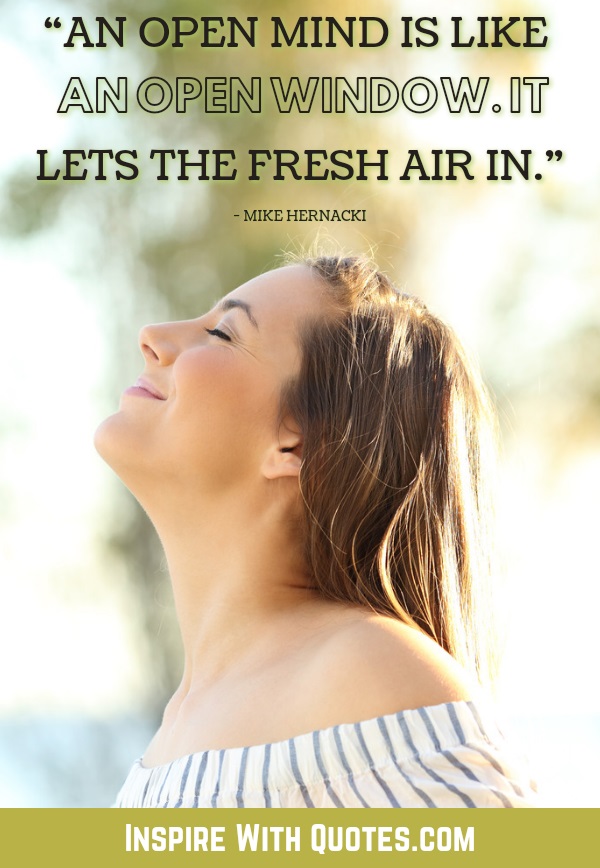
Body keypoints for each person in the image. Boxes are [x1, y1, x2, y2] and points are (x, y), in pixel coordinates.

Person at [95, 254, 536, 808]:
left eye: (222, 332)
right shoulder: (181, 724)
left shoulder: (370, 677)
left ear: (296, 444)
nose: (153, 336)